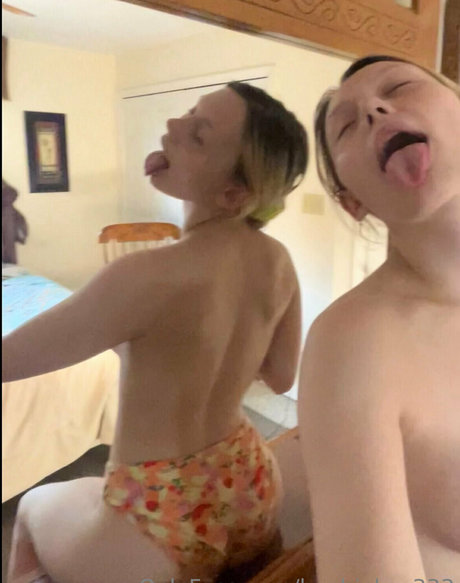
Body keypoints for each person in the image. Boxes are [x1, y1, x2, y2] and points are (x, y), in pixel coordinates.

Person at [3, 82, 307, 583]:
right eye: (187, 113)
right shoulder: (278, 260)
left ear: (233, 194)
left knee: (34, 505)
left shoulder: (141, 275)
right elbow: (281, 376)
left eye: (198, 134)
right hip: (249, 481)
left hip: (157, 515)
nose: (171, 126)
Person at [298, 55, 460, 582]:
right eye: (346, 125)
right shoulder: (351, 343)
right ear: (351, 203)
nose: (372, 108)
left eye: (400, 87)